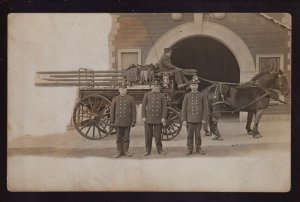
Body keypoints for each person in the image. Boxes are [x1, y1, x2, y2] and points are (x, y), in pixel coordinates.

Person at [181, 80, 209, 155]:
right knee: (189, 135)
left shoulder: (202, 95)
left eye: (195, 85)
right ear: (190, 86)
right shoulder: (187, 96)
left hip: (198, 119)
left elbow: (205, 108)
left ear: (197, 86)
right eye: (192, 85)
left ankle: (198, 149)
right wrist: (184, 120)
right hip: (189, 120)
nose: (194, 87)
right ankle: (189, 149)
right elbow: (183, 108)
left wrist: (204, 118)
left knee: (198, 135)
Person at [110, 83, 137, 158]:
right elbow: (112, 111)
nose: (123, 90)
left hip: (127, 122)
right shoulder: (115, 99)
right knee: (118, 138)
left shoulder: (131, 98)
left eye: (124, 89)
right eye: (121, 89)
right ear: (119, 90)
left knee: (126, 137)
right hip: (118, 122)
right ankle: (119, 151)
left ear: (126, 90)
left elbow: (134, 111)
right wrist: (112, 121)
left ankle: (126, 151)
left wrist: (133, 121)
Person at [142, 81, 167, 156]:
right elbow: (143, 106)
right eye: (154, 86)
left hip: (158, 118)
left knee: (158, 135)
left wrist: (163, 117)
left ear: (158, 87)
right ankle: (148, 150)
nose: (155, 87)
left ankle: (160, 150)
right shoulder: (147, 95)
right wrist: (143, 116)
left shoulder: (162, 95)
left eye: (157, 86)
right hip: (148, 118)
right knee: (148, 135)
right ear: (152, 87)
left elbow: (164, 108)